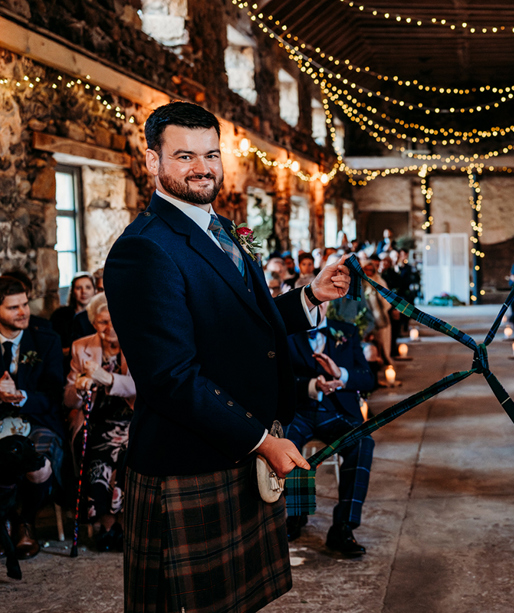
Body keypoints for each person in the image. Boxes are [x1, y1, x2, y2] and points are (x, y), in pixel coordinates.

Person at [104, 101, 351, 612]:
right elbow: (169, 378)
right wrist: (261, 440)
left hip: (236, 446)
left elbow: (244, 324)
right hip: (190, 462)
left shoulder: (221, 229)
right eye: (184, 155)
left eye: (211, 154)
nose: (202, 168)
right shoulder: (144, 249)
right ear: (152, 162)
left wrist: (309, 297)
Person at [285, 301, 375, 556]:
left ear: (326, 304)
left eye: (319, 303)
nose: (315, 308)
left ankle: (343, 527)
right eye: (309, 302)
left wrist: (341, 374)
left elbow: (368, 378)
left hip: (337, 412)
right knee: (288, 443)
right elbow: (275, 380)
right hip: (299, 411)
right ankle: (296, 515)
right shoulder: (285, 331)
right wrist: (311, 385)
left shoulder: (345, 330)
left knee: (362, 442)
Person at [63, 293, 136, 552]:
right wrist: (80, 388)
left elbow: (140, 388)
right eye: (103, 322)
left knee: (125, 452)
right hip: (95, 419)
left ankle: (124, 527)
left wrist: (105, 378)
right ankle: (106, 526)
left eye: (115, 321)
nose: (110, 328)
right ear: (94, 322)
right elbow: (69, 399)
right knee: (97, 452)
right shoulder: (81, 347)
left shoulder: (137, 342)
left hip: (132, 418)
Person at [0, 275, 64, 560]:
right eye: (13, 308)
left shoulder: (45, 337)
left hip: (38, 419)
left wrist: (22, 396)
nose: (23, 311)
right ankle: (5, 520)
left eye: (24, 304)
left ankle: (26, 521)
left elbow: (54, 395)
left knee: (38, 467)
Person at [50, 272, 95, 356]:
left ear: (94, 291)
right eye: (78, 288)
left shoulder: (99, 316)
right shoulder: (59, 315)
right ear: (73, 292)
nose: (83, 291)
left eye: (88, 287)